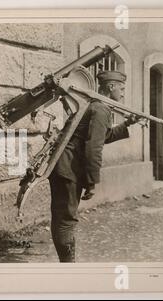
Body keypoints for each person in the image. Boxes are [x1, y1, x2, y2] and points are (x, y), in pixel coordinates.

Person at [48, 70, 140, 262]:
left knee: (64, 217)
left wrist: (128, 124)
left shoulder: (95, 106)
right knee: (65, 219)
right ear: (111, 87)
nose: (123, 93)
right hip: (68, 168)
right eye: (121, 88)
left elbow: (101, 137)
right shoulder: (101, 109)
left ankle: (67, 262)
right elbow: (93, 148)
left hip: (65, 166)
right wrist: (92, 181)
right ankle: (67, 265)